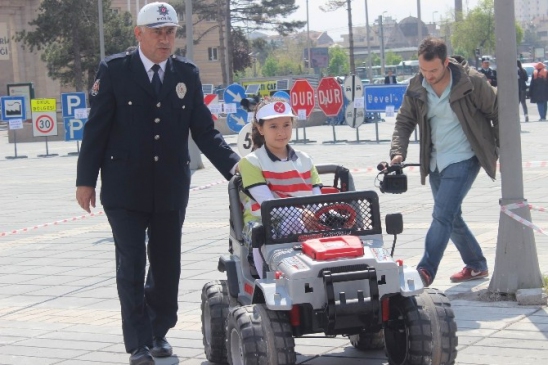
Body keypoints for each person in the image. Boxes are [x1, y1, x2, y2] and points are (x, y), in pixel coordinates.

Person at [75, 2, 240, 365]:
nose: (165, 40)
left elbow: (205, 132)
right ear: (139, 33)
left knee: (167, 267)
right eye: (157, 32)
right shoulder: (115, 70)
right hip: (124, 188)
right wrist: (85, 180)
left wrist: (239, 170)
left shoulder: (186, 74)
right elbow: (96, 130)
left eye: (171, 32)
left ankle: (158, 330)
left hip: (169, 187)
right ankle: (137, 343)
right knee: (131, 265)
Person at [389, 37, 498, 287]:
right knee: (452, 216)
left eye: (434, 70)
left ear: (446, 62)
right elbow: (404, 121)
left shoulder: (471, 82)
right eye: (423, 70)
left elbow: (496, 112)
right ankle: (476, 264)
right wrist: (398, 152)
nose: (428, 75)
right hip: (436, 161)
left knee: (441, 215)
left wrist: (497, 149)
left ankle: (425, 271)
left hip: (465, 157)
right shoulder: (417, 86)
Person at [238, 98, 322, 277]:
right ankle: (268, 280)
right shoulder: (251, 162)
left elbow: (317, 198)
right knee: (284, 225)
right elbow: (268, 205)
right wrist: (303, 215)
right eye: (273, 126)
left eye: (286, 125)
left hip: (303, 220)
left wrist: (314, 216)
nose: (281, 132)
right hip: (264, 221)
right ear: (260, 129)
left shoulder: (305, 159)